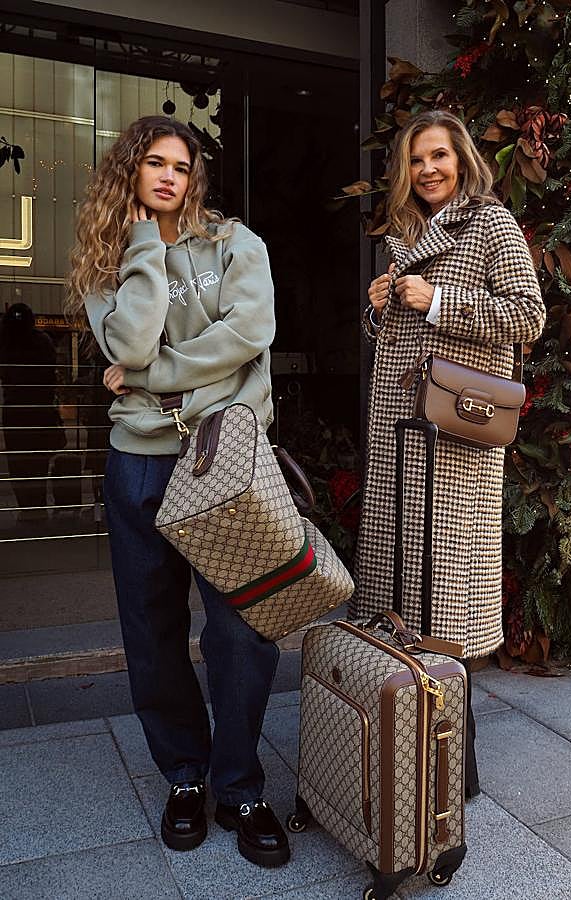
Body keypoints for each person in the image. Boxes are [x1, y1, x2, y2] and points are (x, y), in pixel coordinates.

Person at [65, 116, 289, 866]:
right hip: (140, 462)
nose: (167, 176)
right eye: (153, 164)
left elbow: (247, 335)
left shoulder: (234, 244)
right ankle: (186, 777)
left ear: (196, 178)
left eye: (181, 166)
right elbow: (127, 343)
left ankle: (242, 785)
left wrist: (157, 377)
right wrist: (143, 253)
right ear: (131, 174)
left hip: (224, 456)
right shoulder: (109, 260)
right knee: (152, 629)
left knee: (241, 627)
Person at [350, 110, 546, 797]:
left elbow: (528, 315)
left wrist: (439, 301)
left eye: (438, 155)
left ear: (461, 158)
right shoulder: (403, 234)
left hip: (457, 441)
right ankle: (406, 752)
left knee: (443, 600)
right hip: (401, 436)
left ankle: (449, 769)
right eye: (415, 160)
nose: (427, 169)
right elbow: (396, 339)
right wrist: (380, 308)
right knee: (400, 595)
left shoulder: (490, 223)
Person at [0, 302, 65, 518]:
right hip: (40, 412)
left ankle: (26, 510)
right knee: (38, 463)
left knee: (18, 465)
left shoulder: (6, 342)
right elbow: (50, 376)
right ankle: (36, 508)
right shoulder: (42, 341)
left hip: (15, 412)